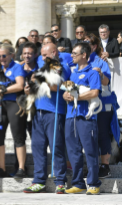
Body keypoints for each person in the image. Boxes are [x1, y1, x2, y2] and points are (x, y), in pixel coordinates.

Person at [22, 43, 71, 194]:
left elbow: (56, 87)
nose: (43, 58)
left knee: (56, 146)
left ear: (54, 52)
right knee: (37, 147)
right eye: (42, 55)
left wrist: (39, 79)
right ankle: (38, 181)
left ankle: (60, 180)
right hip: (39, 112)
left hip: (55, 112)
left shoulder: (62, 67)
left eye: (45, 55)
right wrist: (29, 89)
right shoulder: (41, 69)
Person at [63, 42, 102, 195]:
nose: (72, 56)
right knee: (73, 152)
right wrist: (66, 95)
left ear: (84, 55)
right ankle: (78, 183)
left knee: (91, 150)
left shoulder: (92, 72)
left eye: (74, 53)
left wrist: (76, 96)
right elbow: (67, 93)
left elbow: (94, 93)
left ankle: (93, 183)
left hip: (86, 117)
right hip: (70, 116)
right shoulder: (71, 74)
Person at [84, 33, 118, 178]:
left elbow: (106, 82)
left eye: (88, 43)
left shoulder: (100, 62)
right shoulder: (80, 62)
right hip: (87, 105)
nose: (85, 45)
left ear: (94, 46)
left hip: (103, 104)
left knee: (102, 134)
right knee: (89, 136)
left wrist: (101, 75)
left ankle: (105, 166)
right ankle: (92, 166)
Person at [0, 43, 27, 178]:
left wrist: (4, 90)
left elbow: (20, 85)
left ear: (11, 55)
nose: (1, 58)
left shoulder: (17, 67)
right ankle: (1, 168)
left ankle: (21, 168)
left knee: (18, 136)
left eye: (4, 56)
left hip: (14, 103)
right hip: (0, 105)